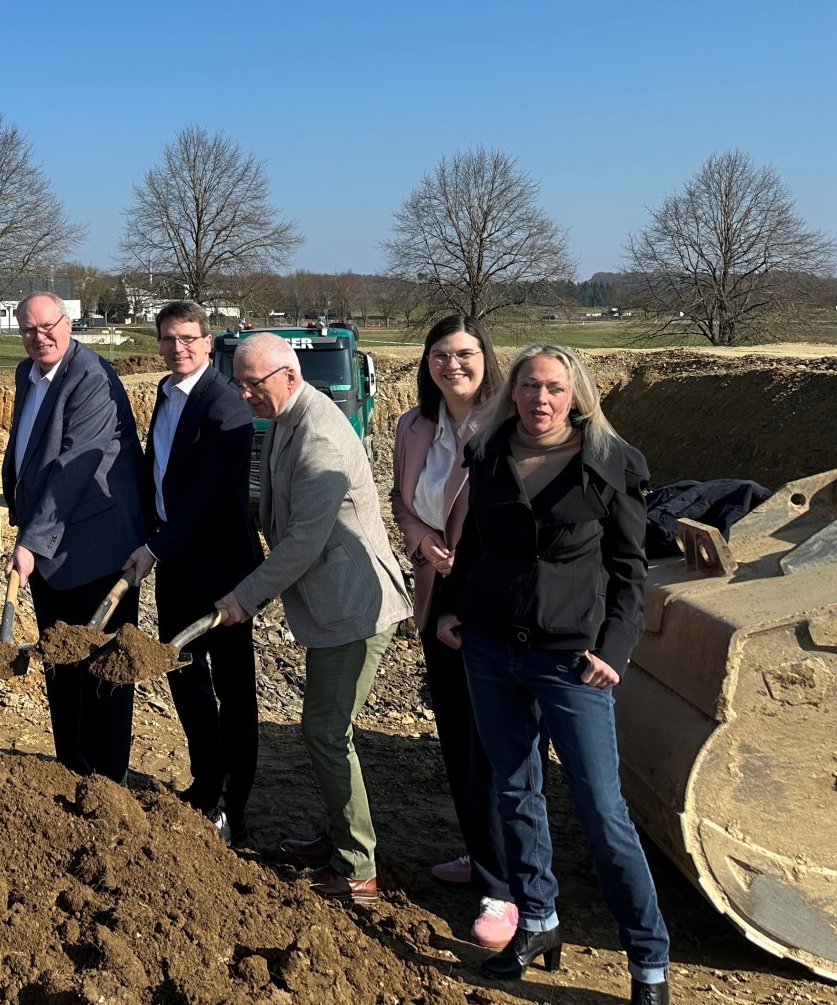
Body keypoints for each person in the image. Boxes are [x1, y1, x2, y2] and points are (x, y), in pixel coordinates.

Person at [435, 343, 669, 1005]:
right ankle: (536, 922)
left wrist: (614, 651)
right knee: (513, 790)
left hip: (571, 660)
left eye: (555, 390)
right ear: (513, 392)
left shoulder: (610, 464)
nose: (541, 399)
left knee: (601, 808)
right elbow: (474, 541)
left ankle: (648, 959)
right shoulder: (489, 453)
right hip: (489, 648)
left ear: (577, 397)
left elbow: (630, 569)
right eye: (531, 386)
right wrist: (452, 611)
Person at [216, 331, 412, 902]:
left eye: (254, 384)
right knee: (326, 729)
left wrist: (244, 596)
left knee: (326, 731)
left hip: (353, 606)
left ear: (290, 376)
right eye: (240, 383)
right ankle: (340, 838)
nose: (245, 394)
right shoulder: (287, 417)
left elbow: (303, 542)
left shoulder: (320, 434)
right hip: (333, 602)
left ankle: (357, 866)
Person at [388, 315, 514, 947]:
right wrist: (421, 540)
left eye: (464, 354)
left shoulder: (507, 427)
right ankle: (480, 852)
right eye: (440, 355)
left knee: (491, 747)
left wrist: (465, 572)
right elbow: (403, 503)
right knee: (456, 737)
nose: (452, 365)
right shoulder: (414, 427)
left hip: (486, 608)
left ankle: (503, 885)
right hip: (434, 597)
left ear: (486, 359)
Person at [124, 301, 258, 845]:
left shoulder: (226, 408)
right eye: (167, 339)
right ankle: (204, 783)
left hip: (220, 571)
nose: (177, 348)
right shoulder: (166, 392)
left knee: (232, 687)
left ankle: (232, 804)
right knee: (183, 674)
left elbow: (207, 498)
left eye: (187, 338)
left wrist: (155, 549)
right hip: (176, 564)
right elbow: (161, 475)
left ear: (208, 342)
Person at [3, 293, 149, 782]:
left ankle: (107, 783)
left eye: (48, 326)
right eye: (28, 329)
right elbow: (27, 450)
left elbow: (74, 464)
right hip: (50, 550)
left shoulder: (90, 376)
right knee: (61, 666)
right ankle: (70, 769)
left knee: (104, 673)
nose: (39, 336)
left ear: (69, 324)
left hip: (96, 547)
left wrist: (30, 540)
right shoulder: (29, 374)